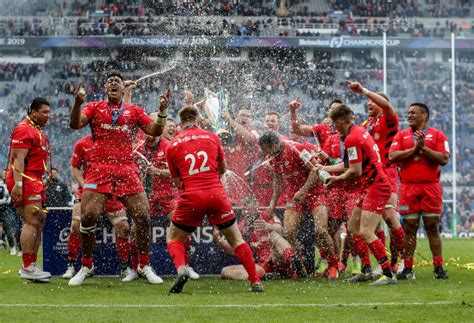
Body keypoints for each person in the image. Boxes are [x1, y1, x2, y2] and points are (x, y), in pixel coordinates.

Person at [68, 73, 169, 286]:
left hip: (126, 167)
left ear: (124, 89)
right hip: (100, 168)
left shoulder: (134, 111)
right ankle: (87, 265)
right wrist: (78, 103)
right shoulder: (94, 107)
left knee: (143, 217)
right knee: (88, 217)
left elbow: (155, 130)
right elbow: (75, 124)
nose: (113, 83)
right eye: (110, 81)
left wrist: (162, 111)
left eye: (118, 81)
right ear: (105, 87)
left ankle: (144, 265)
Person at [166, 106, 262, 293]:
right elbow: (223, 169)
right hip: (215, 193)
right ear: (198, 119)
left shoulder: (173, 144)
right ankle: (255, 281)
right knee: (237, 239)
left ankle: (181, 269)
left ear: (180, 122)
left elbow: (177, 181)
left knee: (173, 238)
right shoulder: (212, 137)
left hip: (191, 195)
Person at [320, 104, 396, 285]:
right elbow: (347, 165)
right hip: (369, 187)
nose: (333, 127)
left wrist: (335, 180)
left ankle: (388, 274)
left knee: (367, 231)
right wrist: (325, 168)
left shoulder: (351, 139)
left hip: (376, 186)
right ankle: (367, 269)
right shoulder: (359, 132)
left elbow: (354, 171)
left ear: (339, 122)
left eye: (334, 123)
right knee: (353, 229)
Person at [258, 131, 338, 279]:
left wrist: (303, 190)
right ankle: (299, 263)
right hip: (294, 196)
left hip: (315, 192)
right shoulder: (273, 157)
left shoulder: (296, 149)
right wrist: (272, 204)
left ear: (275, 144)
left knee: (321, 230)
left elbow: (315, 169)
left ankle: (333, 264)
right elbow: (277, 181)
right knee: (288, 232)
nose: (265, 154)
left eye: (266, 149)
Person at [347, 81, 405, 273]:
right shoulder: (365, 125)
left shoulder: (388, 120)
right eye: (367, 102)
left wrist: (364, 90)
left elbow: (388, 107)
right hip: (369, 177)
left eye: (373, 101)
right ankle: (381, 264)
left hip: (386, 173)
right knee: (372, 224)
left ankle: (403, 261)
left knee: (389, 217)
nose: (369, 103)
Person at [389, 103, 450, 280]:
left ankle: (438, 268)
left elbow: (444, 158)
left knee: (432, 226)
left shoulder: (437, 135)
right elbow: (392, 156)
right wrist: (414, 149)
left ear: (424, 116)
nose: (409, 115)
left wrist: (423, 148)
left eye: (413, 113)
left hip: (431, 186)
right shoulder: (401, 135)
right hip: (408, 186)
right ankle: (408, 269)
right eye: (408, 113)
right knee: (410, 228)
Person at [62, 135, 131, 280]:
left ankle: (125, 268)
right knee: (76, 225)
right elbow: (75, 167)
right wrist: (84, 185)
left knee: (123, 227)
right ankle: (73, 265)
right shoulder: (82, 143)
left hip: (112, 193)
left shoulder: (117, 141)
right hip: (89, 191)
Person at [5, 97, 52, 282]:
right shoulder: (24, 129)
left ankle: (31, 264)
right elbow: (17, 159)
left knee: (39, 220)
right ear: (34, 112)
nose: (49, 116)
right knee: (31, 219)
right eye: (45, 112)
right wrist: (18, 184)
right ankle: (27, 266)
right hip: (24, 179)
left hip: (35, 179)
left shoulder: (36, 130)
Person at [215, 196, 297, 280]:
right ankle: (266, 276)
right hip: (263, 264)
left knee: (273, 235)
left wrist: (269, 226)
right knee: (225, 271)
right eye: (242, 206)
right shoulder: (242, 226)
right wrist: (220, 240)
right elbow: (235, 250)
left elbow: (282, 231)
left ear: (256, 206)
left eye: (247, 204)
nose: (244, 207)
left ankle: (294, 263)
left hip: (278, 257)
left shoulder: (265, 215)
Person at [220, 108, 259, 205]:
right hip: (227, 180)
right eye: (242, 115)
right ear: (237, 117)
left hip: (245, 181)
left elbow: (249, 138)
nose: (245, 118)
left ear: (251, 120)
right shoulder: (226, 133)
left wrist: (230, 120)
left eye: (248, 116)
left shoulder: (253, 132)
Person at [0, 170, 20, 255]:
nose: (5, 175)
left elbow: (9, 196)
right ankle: (3, 242)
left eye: (6, 173)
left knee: (8, 228)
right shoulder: (1, 184)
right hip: (4, 206)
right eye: (4, 173)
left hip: (6, 208)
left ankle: (13, 247)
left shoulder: (10, 184)